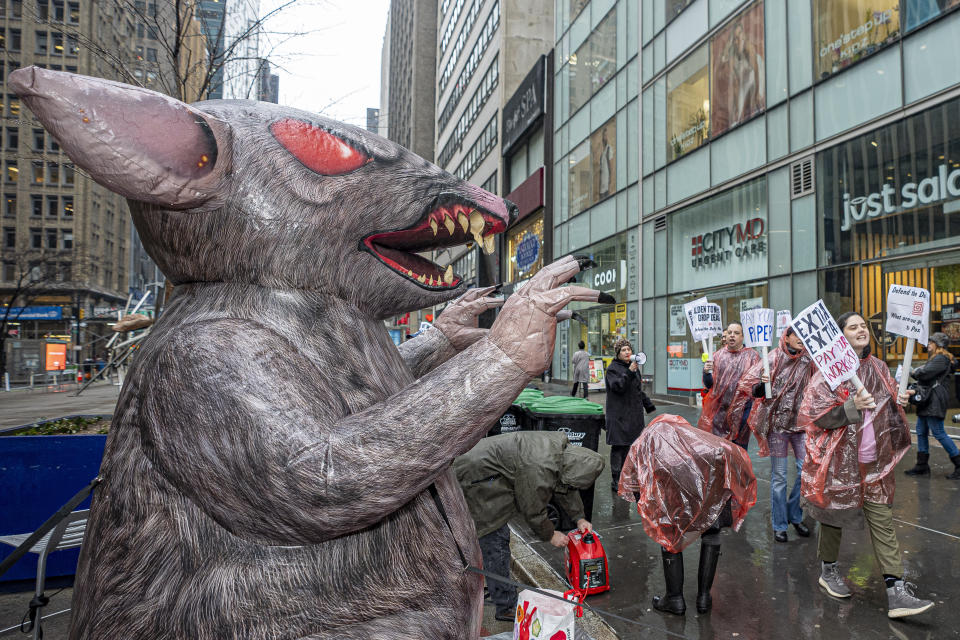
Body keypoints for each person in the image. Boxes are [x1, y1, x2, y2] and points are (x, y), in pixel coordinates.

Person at [798, 312, 934, 619]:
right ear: (840, 335)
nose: (861, 330)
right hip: (840, 463)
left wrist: (900, 398)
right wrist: (850, 407)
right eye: (853, 326)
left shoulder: (878, 367)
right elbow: (813, 416)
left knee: (882, 519)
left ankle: (896, 590)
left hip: (875, 462)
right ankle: (828, 569)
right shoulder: (828, 373)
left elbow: (887, 404)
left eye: (863, 326)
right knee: (833, 516)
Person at [454, 432, 605, 621]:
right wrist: (550, 534)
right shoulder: (540, 466)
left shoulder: (560, 454)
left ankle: (487, 585)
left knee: (491, 536)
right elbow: (532, 507)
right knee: (495, 538)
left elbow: (565, 486)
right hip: (475, 476)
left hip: (485, 471)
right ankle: (507, 606)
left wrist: (579, 518)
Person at [619, 414, 757, 615]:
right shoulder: (696, 439)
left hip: (673, 496)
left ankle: (675, 599)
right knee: (712, 530)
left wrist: (651, 508)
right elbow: (735, 456)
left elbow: (634, 482)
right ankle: (703, 598)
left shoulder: (645, 442)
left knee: (668, 535)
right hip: (708, 490)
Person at [734, 328, 814, 542]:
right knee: (779, 478)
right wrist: (762, 385)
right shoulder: (773, 358)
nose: (800, 338)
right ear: (786, 337)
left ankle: (794, 515)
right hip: (778, 427)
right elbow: (749, 387)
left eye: (803, 334)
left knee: (805, 471)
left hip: (800, 426)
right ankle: (780, 524)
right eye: (795, 334)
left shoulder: (809, 359)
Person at [903, 331, 960, 479]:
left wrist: (913, 371)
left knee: (938, 432)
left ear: (938, 345)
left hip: (934, 399)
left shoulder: (941, 358)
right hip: (929, 399)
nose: (928, 344)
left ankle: (959, 463)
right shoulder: (936, 358)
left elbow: (925, 374)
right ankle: (922, 465)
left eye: (931, 342)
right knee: (921, 430)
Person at [605, 337, 656, 491]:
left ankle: (627, 477)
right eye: (623, 350)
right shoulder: (613, 369)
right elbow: (618, 386)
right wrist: (629, 372)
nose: (627, 352)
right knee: (619, 447)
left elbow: (637, 390)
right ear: (618, 354)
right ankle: (616, 479)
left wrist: (648, 405)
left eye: (629, 349)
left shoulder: (633, 368)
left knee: (630, 447)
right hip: (619, 415)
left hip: (633, 415)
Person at [699, 322, 760, 448]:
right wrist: (706, 372)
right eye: (730, 333)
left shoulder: (752, 356)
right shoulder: (717, 356)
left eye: (736, 333)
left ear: (742, 337)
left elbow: (755, 389)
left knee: (739, 452)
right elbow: (709, 384)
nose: (732, 336)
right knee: (719, 451)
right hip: (719, 412)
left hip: (742, 412)